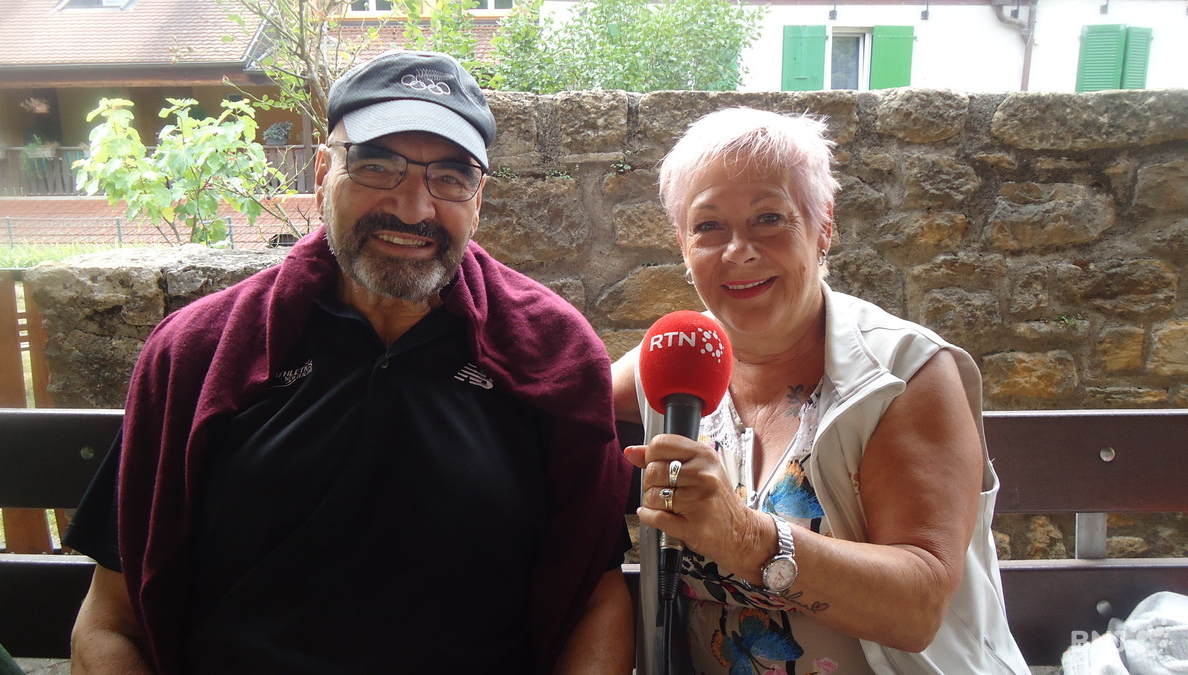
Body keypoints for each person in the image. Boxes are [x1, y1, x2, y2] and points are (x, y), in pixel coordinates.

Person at [64, 50, 634, 674]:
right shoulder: (199, 353)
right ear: (322, 173)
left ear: (479, 199)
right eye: (377, 166)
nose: (414, 208)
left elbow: (594, 600)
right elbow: (110, 621)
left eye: (450, 177)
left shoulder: (551, 351)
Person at [613, 107, 1029, 674]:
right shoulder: (677, 360)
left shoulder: (902, 373)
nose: (738, 250)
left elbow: (919, 607)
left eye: (769, 218)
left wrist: (747, 538)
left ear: (823, 226)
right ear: (683, 244)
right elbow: (558, 391)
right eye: (708, 226)